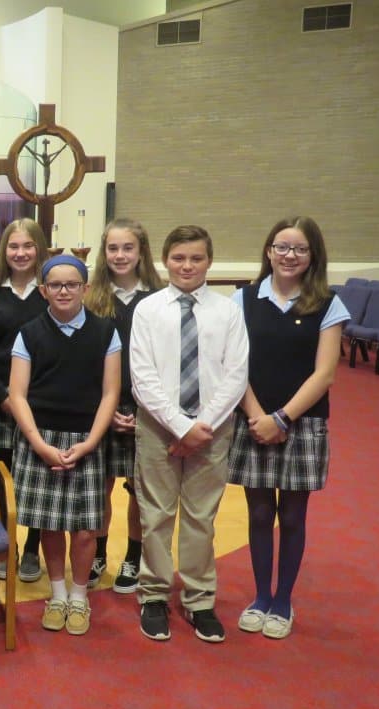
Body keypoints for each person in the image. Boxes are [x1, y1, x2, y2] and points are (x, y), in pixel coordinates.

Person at [228, 216, 348, 640]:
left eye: (299, 249)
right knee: (260, 513)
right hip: (253, 420)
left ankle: (283, 601)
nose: (289, 255)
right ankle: (261, 596)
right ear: (269, 251)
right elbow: (233, 366)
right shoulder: (243, 300)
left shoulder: (328, 304)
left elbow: (325, 373)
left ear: (313, 255)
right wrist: (258, 416)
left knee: (292, 516)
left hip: (303, 422)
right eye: (282, 247)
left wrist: (282, 419)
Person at [130, 224, 249, 643]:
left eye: (196, 258)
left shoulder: (228, 310)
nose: (187, 266)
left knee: (201, 517)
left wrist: (203, 427)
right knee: (156, 515)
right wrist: (180, 426)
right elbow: (142, 375)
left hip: (212, 428)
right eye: (179, 258)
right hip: (157, 425)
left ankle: (199, 599)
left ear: (209, 261)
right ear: (165, 260)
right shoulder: (148, 309)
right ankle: (154, 595)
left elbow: (236, 374)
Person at [10, 255, 121, 636]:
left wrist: (91, 442)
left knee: (87, 529)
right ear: (43, 291)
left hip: (87, 438)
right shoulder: (28, 333)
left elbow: (110, 393)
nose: (63, 291)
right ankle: (57, 594)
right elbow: (18, 394)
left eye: (72, 284)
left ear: (85, 288)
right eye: (55, 285)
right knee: (50, 524)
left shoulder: (105, 332)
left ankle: (79, 595)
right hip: (41, 439)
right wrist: (39, 444)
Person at [83, 219, 165, 593]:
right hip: (102, 407)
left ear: (141, 251)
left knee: (139, 490)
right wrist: (105, 408)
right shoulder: (92, 298)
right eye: (113, 248)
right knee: (99, 488)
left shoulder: (159, 298)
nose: (120, 255)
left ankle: (133, 555)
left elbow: (166, 361)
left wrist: (145, 411)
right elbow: (84, 360)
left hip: (147, 409)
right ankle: (98, 554)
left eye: (128, 248)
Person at [0, 218, 50, 583]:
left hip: (40, 401)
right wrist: (3, 396)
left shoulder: (49, 293)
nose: (20, 253)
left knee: (37, 478)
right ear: (4, 251)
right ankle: (7, 546)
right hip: (0, 402)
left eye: (28, 246)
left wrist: (31, 398)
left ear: (39, 250)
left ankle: (32, 546)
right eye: (14, 246)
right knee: (1, 478)